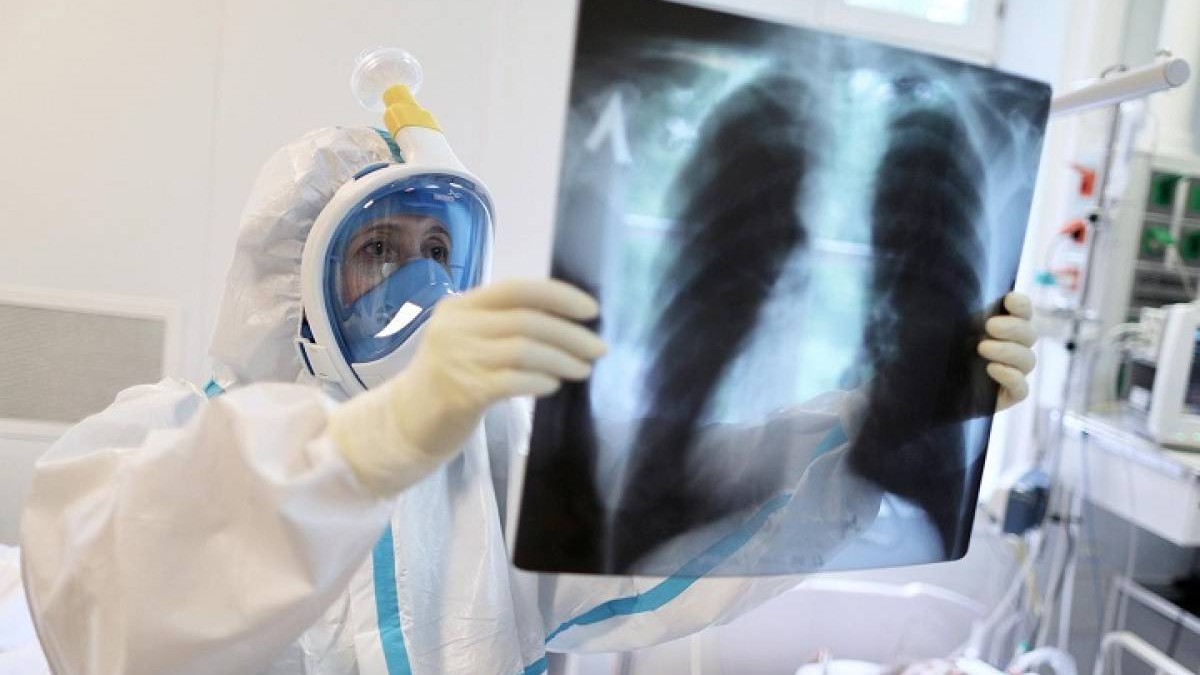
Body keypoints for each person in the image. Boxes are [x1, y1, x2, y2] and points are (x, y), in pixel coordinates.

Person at [19, 126, 1037, 675]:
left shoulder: (492, 453)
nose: (421, 281)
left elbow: (703, 495)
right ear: (297, 276)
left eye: (438, 249)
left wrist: (894, 410)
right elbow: (121, 600)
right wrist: (361, 449)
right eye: (379, 249)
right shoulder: (164, 433)